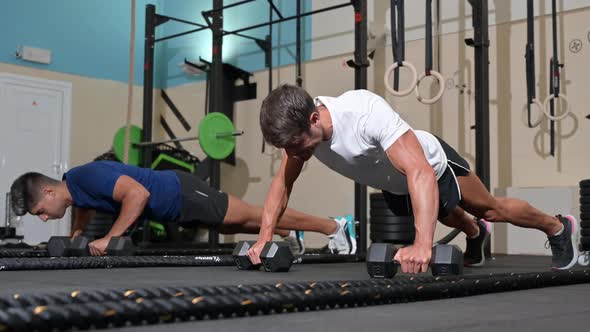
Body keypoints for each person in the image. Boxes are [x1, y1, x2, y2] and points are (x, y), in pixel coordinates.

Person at [247, 84, 578, 273]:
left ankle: (557, 227)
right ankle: (476, 233)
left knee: (488, 208)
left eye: (295, 146)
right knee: (443, 213)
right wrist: (264, 238)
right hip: (395, 183)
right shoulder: (298, 138)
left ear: (315, 119)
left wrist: (422, 245)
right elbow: (282, 184)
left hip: (431, 165)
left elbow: (419, 170)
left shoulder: (362, 113)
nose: (292, 155)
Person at [10, 161, 356, 256]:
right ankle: (286, 231)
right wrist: (79, 233)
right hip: (175, 205)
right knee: (233, 225)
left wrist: (110, 236)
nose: (42, 218)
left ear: (48, 190)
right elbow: (83, 205)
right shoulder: (75, 188)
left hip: (181, 193)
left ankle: (334, 226)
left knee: (252, 214)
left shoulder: (89, 175)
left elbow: (138, 195)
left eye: (40, 209)